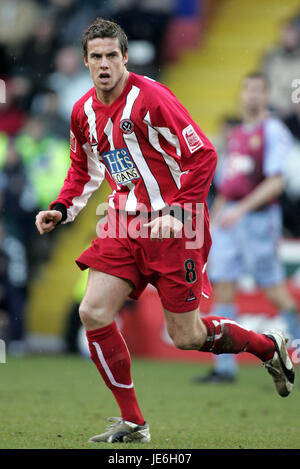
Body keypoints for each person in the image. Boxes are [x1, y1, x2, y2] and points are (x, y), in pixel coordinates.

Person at [35, 19, 295, 444]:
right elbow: (83, 170)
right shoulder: (82, 111)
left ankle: (267, 347)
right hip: (124, 222)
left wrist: (177, 210)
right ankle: (134, 422)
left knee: (186, 336)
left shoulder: (151, 98)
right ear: (85, 61)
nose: (104, 64)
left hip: (179, 226)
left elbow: (204, 155)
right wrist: (62, 209)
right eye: (96, 57)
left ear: (124, 58)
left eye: (111, 56)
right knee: (93, 312)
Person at [195, 72, 300, 384]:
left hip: (256, 220)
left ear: (267, 96)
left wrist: (239, 210)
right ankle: (225, 368)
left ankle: (296, 348)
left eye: (258, 90)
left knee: (275, 292)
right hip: (230, 220)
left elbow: (276, 182)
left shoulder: (273, 131)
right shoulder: (239, 133)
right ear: (241, 95)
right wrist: (212, 221)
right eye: (248, 90)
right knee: (223, 287)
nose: (252, 96)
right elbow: (228, 185)